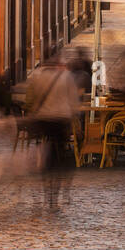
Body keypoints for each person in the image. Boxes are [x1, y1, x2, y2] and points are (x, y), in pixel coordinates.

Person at [24, 52, 82, 210]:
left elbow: (30, 100)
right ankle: (54, 197)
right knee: (60, 156)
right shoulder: (66, 77)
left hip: (44, 121)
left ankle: (45, 187)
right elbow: (74, 103)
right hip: (61, 121)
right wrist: (75, 120)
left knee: (45, 154)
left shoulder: (37, 76)